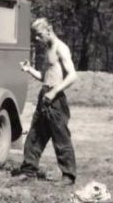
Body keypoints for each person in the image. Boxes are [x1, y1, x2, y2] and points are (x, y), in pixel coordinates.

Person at [13, 18, 78, 186]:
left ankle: (68, 176)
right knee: (35, 135)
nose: (36, 39)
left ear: (49, 31)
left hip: (56, 98)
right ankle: (28, 171)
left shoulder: (61, 48)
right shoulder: (47, 49)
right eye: (35, 36)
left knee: (61, 137)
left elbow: (72, 76)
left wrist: (55, 92)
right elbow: (45, 76)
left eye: (39, 35)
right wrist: (29, 70)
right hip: (45, 95)